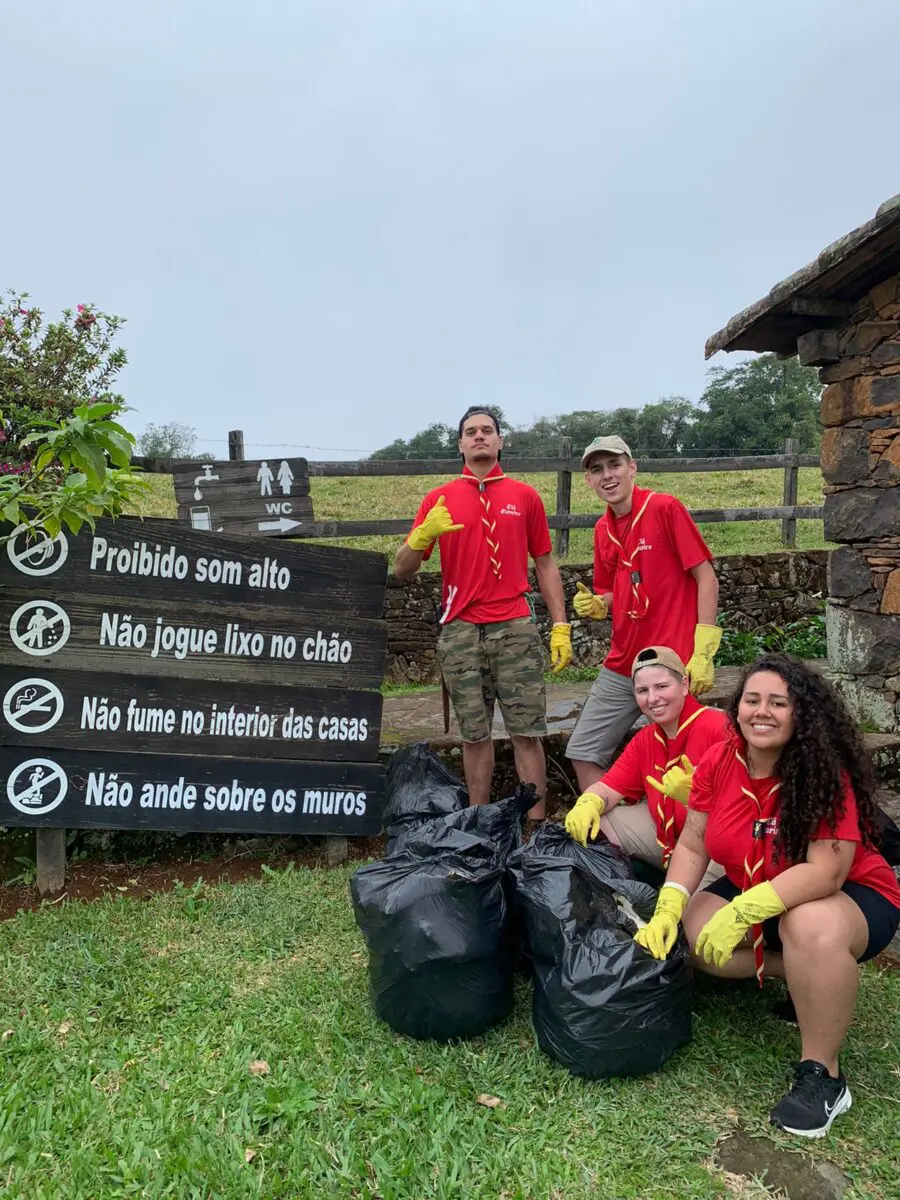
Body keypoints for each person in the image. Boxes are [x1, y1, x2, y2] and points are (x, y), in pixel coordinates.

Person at [634, 655, 900, 1138]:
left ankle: (824, 1076)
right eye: (752, 700)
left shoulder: (823, 768)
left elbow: (826, 872)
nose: (763, 712)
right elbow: (694, 842)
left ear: (801, 713)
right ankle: (804, 979)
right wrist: (669, 904)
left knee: (808, 927)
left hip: (850, 894)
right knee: (690, 939)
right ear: (736, 708)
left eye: (779, 703)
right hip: (754, 882)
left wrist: (744, 909)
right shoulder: (719, 759)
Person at [394, 406, 572, 820]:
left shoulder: (525, 496)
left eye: (487, 430)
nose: (479, 436)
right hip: (461, 628)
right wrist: (422, 535)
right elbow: (403, 569)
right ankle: (479, 822)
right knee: (474, 735)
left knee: (527, 732)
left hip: (514, 625)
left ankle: (536, 826)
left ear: (499, 441)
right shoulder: (438, 499)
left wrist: (560, 623)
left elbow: (545, 563)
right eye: (471, 431)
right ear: (459, 444)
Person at [565, 435, 722, 792]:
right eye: (596, 470)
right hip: (624, 662)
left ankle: (691, 839)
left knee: (690, 762)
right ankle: (613, 834)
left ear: (632, 467)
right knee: (582, 751)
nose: (607, 475)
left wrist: (704, 650)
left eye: (614, 465)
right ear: (588, 481)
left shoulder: (665, 508)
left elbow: (706, 577)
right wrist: (598, 605)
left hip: (674, 659)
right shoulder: (603, 529)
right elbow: (609, 591)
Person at [565, 646, 727, 885]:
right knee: (599, 824)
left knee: (690, 916)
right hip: (666, 836)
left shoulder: (721, 727)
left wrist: (700, 796)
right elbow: (609, 787)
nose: (652, 698)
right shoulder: (647, 738)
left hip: (716, 844)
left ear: (684, 685)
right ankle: (619, 896)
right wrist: (590, 801)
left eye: (662, 687)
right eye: (642, 690)